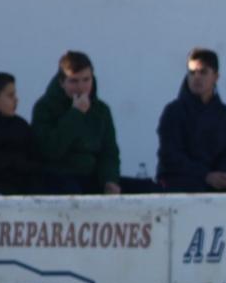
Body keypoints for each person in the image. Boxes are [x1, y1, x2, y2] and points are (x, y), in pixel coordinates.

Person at [31, 51, 149, 195]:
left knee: (147, 189)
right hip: (57, 177)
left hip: (92, 177)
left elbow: (109, 152)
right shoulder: (45, 108)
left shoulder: (101, 110)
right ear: (62, 82)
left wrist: (110, 180)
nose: (81, 87)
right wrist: (76, 114)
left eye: (86, 80)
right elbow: (50, 150)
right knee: (72, 192)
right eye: (74, 81)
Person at [156, 48, 226, 193]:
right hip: (181, 181)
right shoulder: (173, 112)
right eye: (192, 73)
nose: (196, 77)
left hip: (216, 181)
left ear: (216, 77)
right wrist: (205, 175)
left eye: (203, 72)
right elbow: (170, 156)